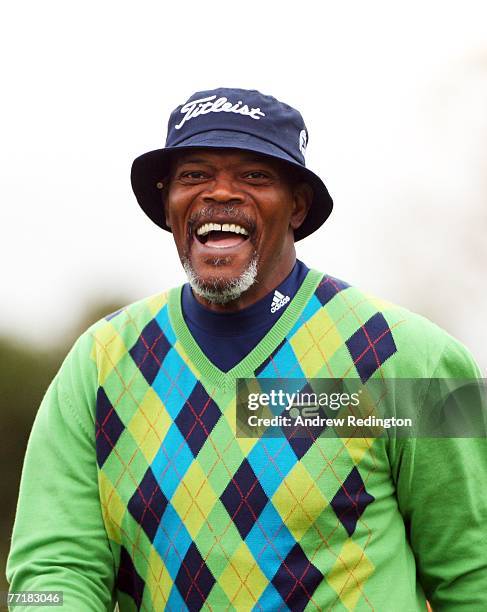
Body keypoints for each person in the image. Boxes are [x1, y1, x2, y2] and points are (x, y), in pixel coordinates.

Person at [6, 88, 487, 611]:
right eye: (194, 175)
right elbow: (49, 572)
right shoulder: (99, 364)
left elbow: (473, 573)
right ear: (167, 205)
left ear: (297, 206)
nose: (220, 193)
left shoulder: (415, 360)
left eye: (255, 176)